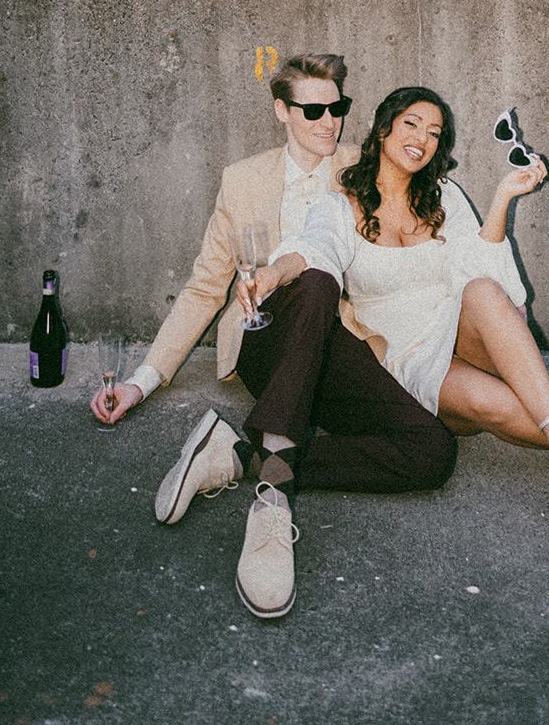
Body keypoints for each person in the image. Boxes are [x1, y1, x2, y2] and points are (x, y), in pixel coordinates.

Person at [90, 56, 457, 619]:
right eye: (313, 109)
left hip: (339, 348)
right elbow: (204, 289)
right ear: (282, 112)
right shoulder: (242, 181)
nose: (329, 121)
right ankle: (273, 502)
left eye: (338, 107)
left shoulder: (363, 173)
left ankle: (240, 455)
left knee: (433, 453)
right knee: (310, 281)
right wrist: (143, 380)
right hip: (264, 341)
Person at [245, 87, 549, 514]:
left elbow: (479, 269)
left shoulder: (443, 195)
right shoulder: (340, 204)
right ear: (383, 128)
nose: (422, 138)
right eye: (411, 123)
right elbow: (316, 250)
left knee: (483, 291)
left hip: (463, 325)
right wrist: (272, 273)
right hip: (410, 355)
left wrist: (503, 197)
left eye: (434, 133)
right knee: (500, 406)